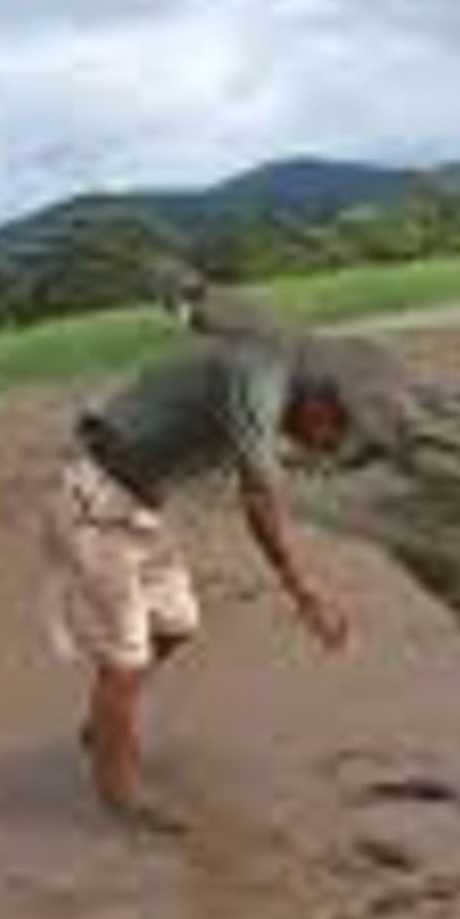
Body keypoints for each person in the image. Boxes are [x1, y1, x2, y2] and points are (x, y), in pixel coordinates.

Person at [39, 275, 354, 832]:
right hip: (94, 498)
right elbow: (257, 501)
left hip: (139, 505)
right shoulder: (259, 381)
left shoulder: (271, 382)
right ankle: (119, 791)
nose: (327, 446)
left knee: (178, 624)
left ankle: (103, 724)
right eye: (331, 432)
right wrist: (306, 594)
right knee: (126, 658)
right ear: (316, 401)